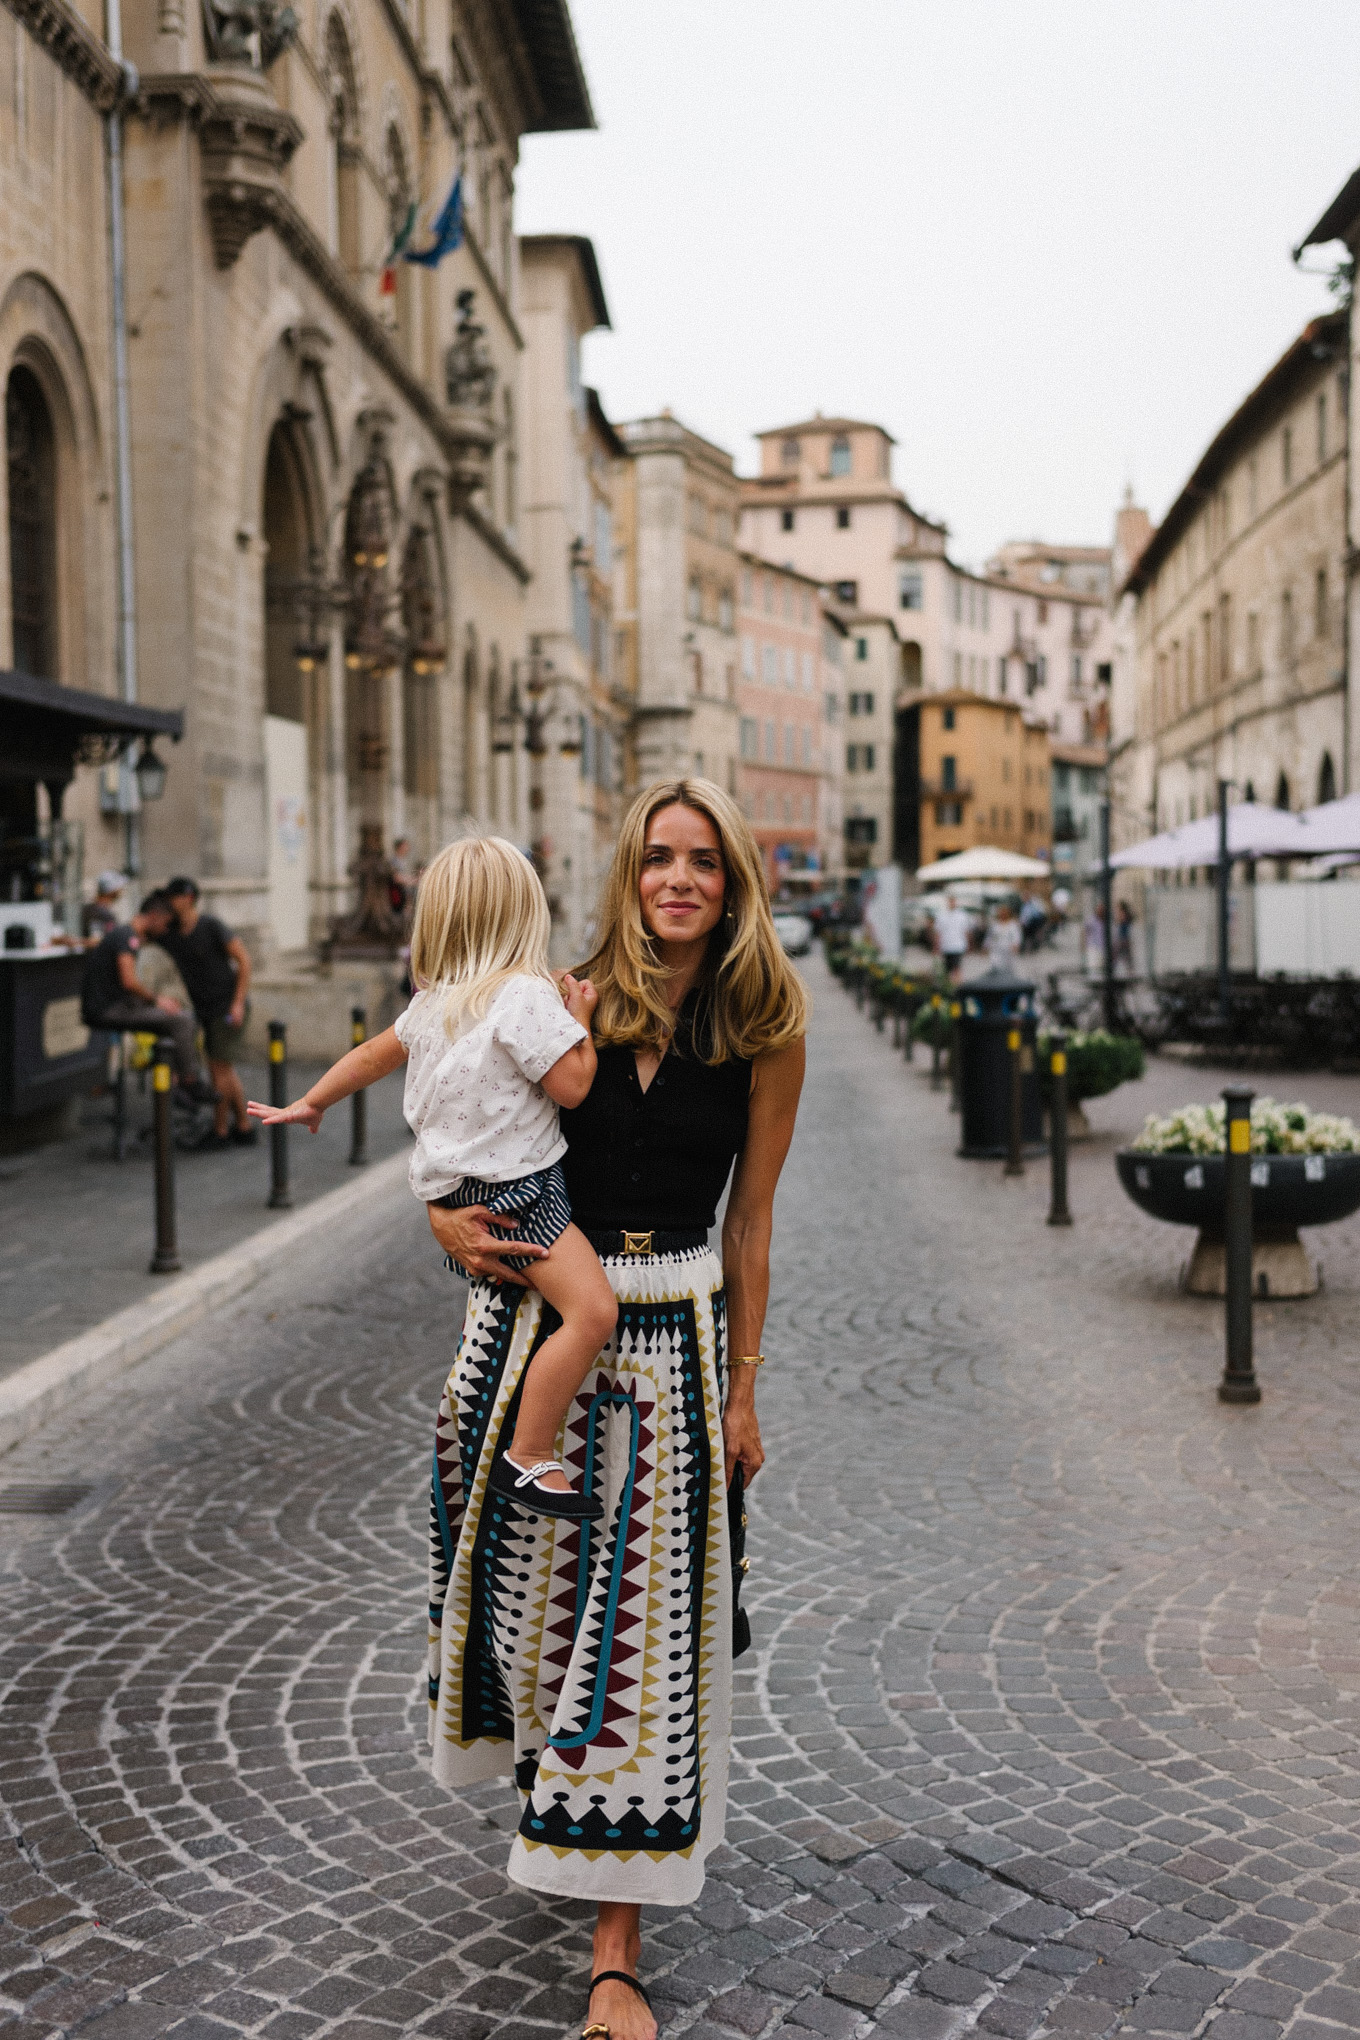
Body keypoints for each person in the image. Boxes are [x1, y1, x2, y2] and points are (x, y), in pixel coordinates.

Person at [424, 780, 807, 2040]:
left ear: (734, 880)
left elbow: (750, 1221)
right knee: (537, 1615)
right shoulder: (560, 993)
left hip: (674, 1341)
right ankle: (553, 1793)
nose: (678, 880)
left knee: (641, 1637)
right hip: (540, 1329)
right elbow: (465, 1122)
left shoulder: (764, 1024)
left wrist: (745, 1385)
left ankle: (614, 1948)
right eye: (658, 859)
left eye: (703, 861)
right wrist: (439, 1217)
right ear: (629, 874)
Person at [247, 836, 618, 1520]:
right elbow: (572, 1087)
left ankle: (515, 1437)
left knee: (532, 1308)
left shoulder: (433, 1005)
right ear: (524, 914)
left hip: (457, 1194)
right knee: (592, 1312)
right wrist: (582, 1022)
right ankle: (531, 1454)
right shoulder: (525, 998)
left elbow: (367, 1056)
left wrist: (312, 1102)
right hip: (521, 1192)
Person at [80, 892, 215, 1098]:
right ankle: (189, 1082)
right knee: (182, 1021)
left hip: (109, 1006)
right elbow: (129, 981)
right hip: (107, 1010)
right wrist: (157, 1000)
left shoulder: (122, 933)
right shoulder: (128, 937)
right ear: (154, 915)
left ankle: (174, 1081)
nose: (164, 929)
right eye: (165, 923)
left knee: (172, 1021)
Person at [157, 878, 256, 1149]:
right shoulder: (173, 934)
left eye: (173, 896)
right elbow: (142, 930)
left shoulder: (211, 926)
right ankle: (244, 1128)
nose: (169, 902)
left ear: (188, 898)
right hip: (205, 1009)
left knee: (218, 1071)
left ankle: (221, 1131)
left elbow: (244, 960)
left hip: (226, 1007)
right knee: (225, 1070)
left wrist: (237, 1003)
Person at [934, 891, 971, 979]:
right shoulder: (942, 915)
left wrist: (968, 944)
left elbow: (965, 931)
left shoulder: (962, 915)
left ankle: (957, 986)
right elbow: (938, 932)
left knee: (957, 967)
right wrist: (936, 946)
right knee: (947, 969)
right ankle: (948, 987)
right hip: (946, 945)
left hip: (958, 945)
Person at [82, 870, 126, 943]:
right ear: (112, 891)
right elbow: (95, 940)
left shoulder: (94, 909)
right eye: (118, 888)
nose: (121, 891)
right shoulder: (98, 912)